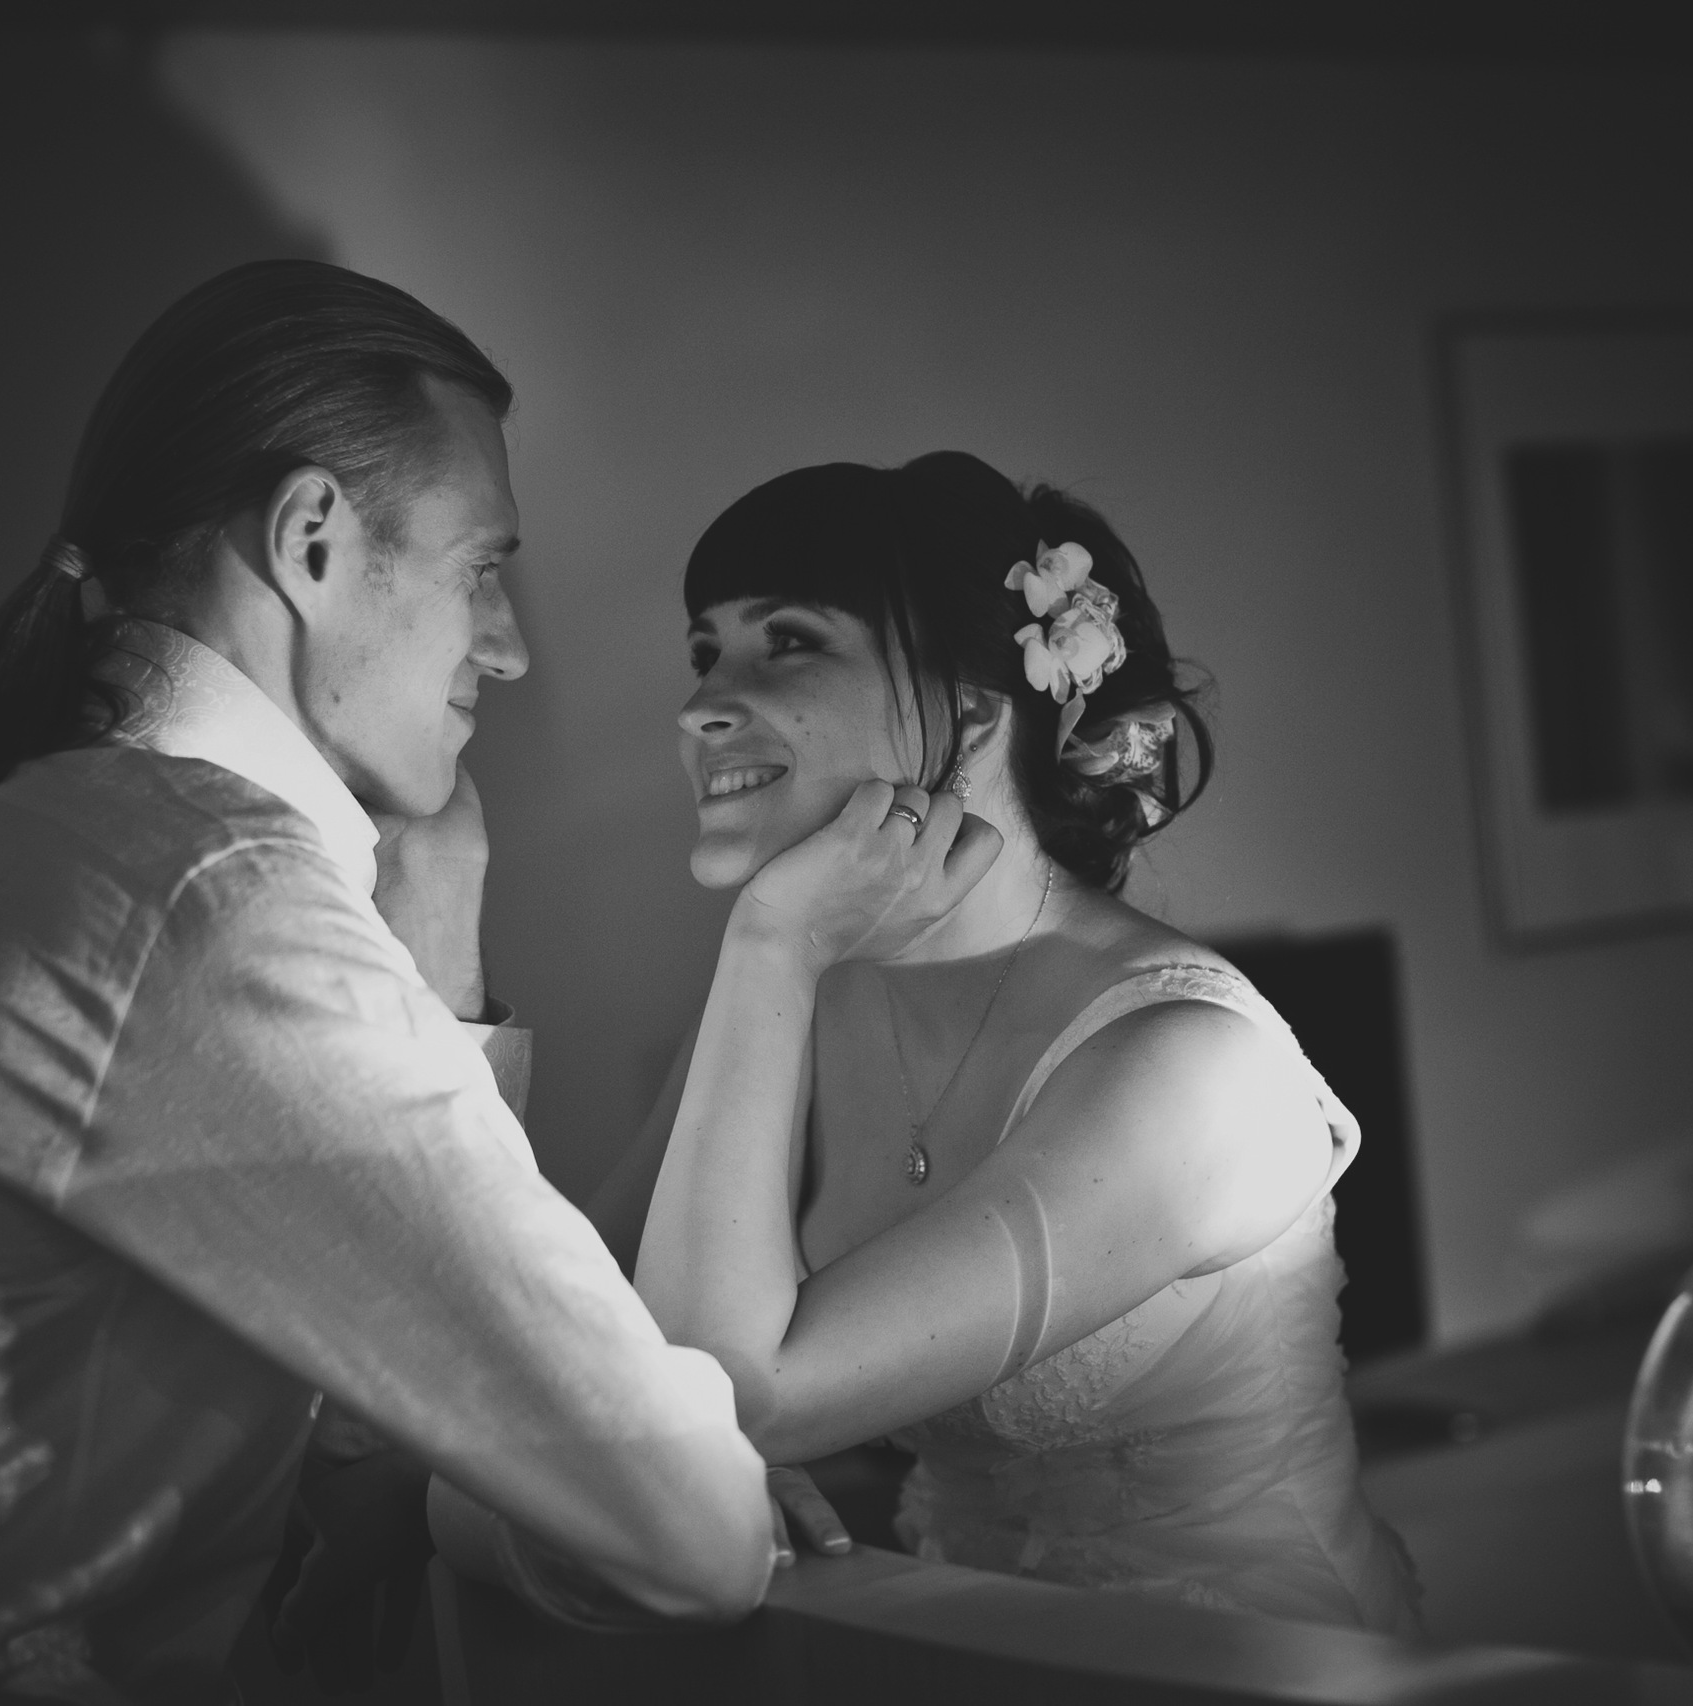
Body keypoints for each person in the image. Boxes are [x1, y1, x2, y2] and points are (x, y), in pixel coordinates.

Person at [0, 262, 987, 1703]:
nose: (509, 646)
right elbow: (688, 1525)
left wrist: (438, 954)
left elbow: (372, 1409)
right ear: (313, 540)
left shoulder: (8, 833)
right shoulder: (205, 899)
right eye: (482, 568)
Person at [607, 453, 1422, 1630]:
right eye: (702, 652)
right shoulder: (800, 1003)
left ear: (977, 709)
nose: (700, 706)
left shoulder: (1187, 1065)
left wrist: (768, 939)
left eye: (785, 641)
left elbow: (727, 1399)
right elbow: (568, 1320)